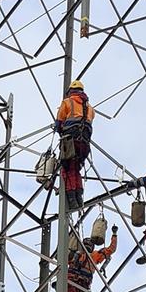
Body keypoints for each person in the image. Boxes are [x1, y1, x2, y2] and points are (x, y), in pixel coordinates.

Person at [54, 80, 95, 210]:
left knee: (67, 168)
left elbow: (59, 123)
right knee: (76, 168)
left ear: (71, 91)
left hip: (70, 141)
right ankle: (79, 197)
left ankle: (71, 198)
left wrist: (59, 129)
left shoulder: (67, 102)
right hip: (84, 143)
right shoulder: (90, 108)